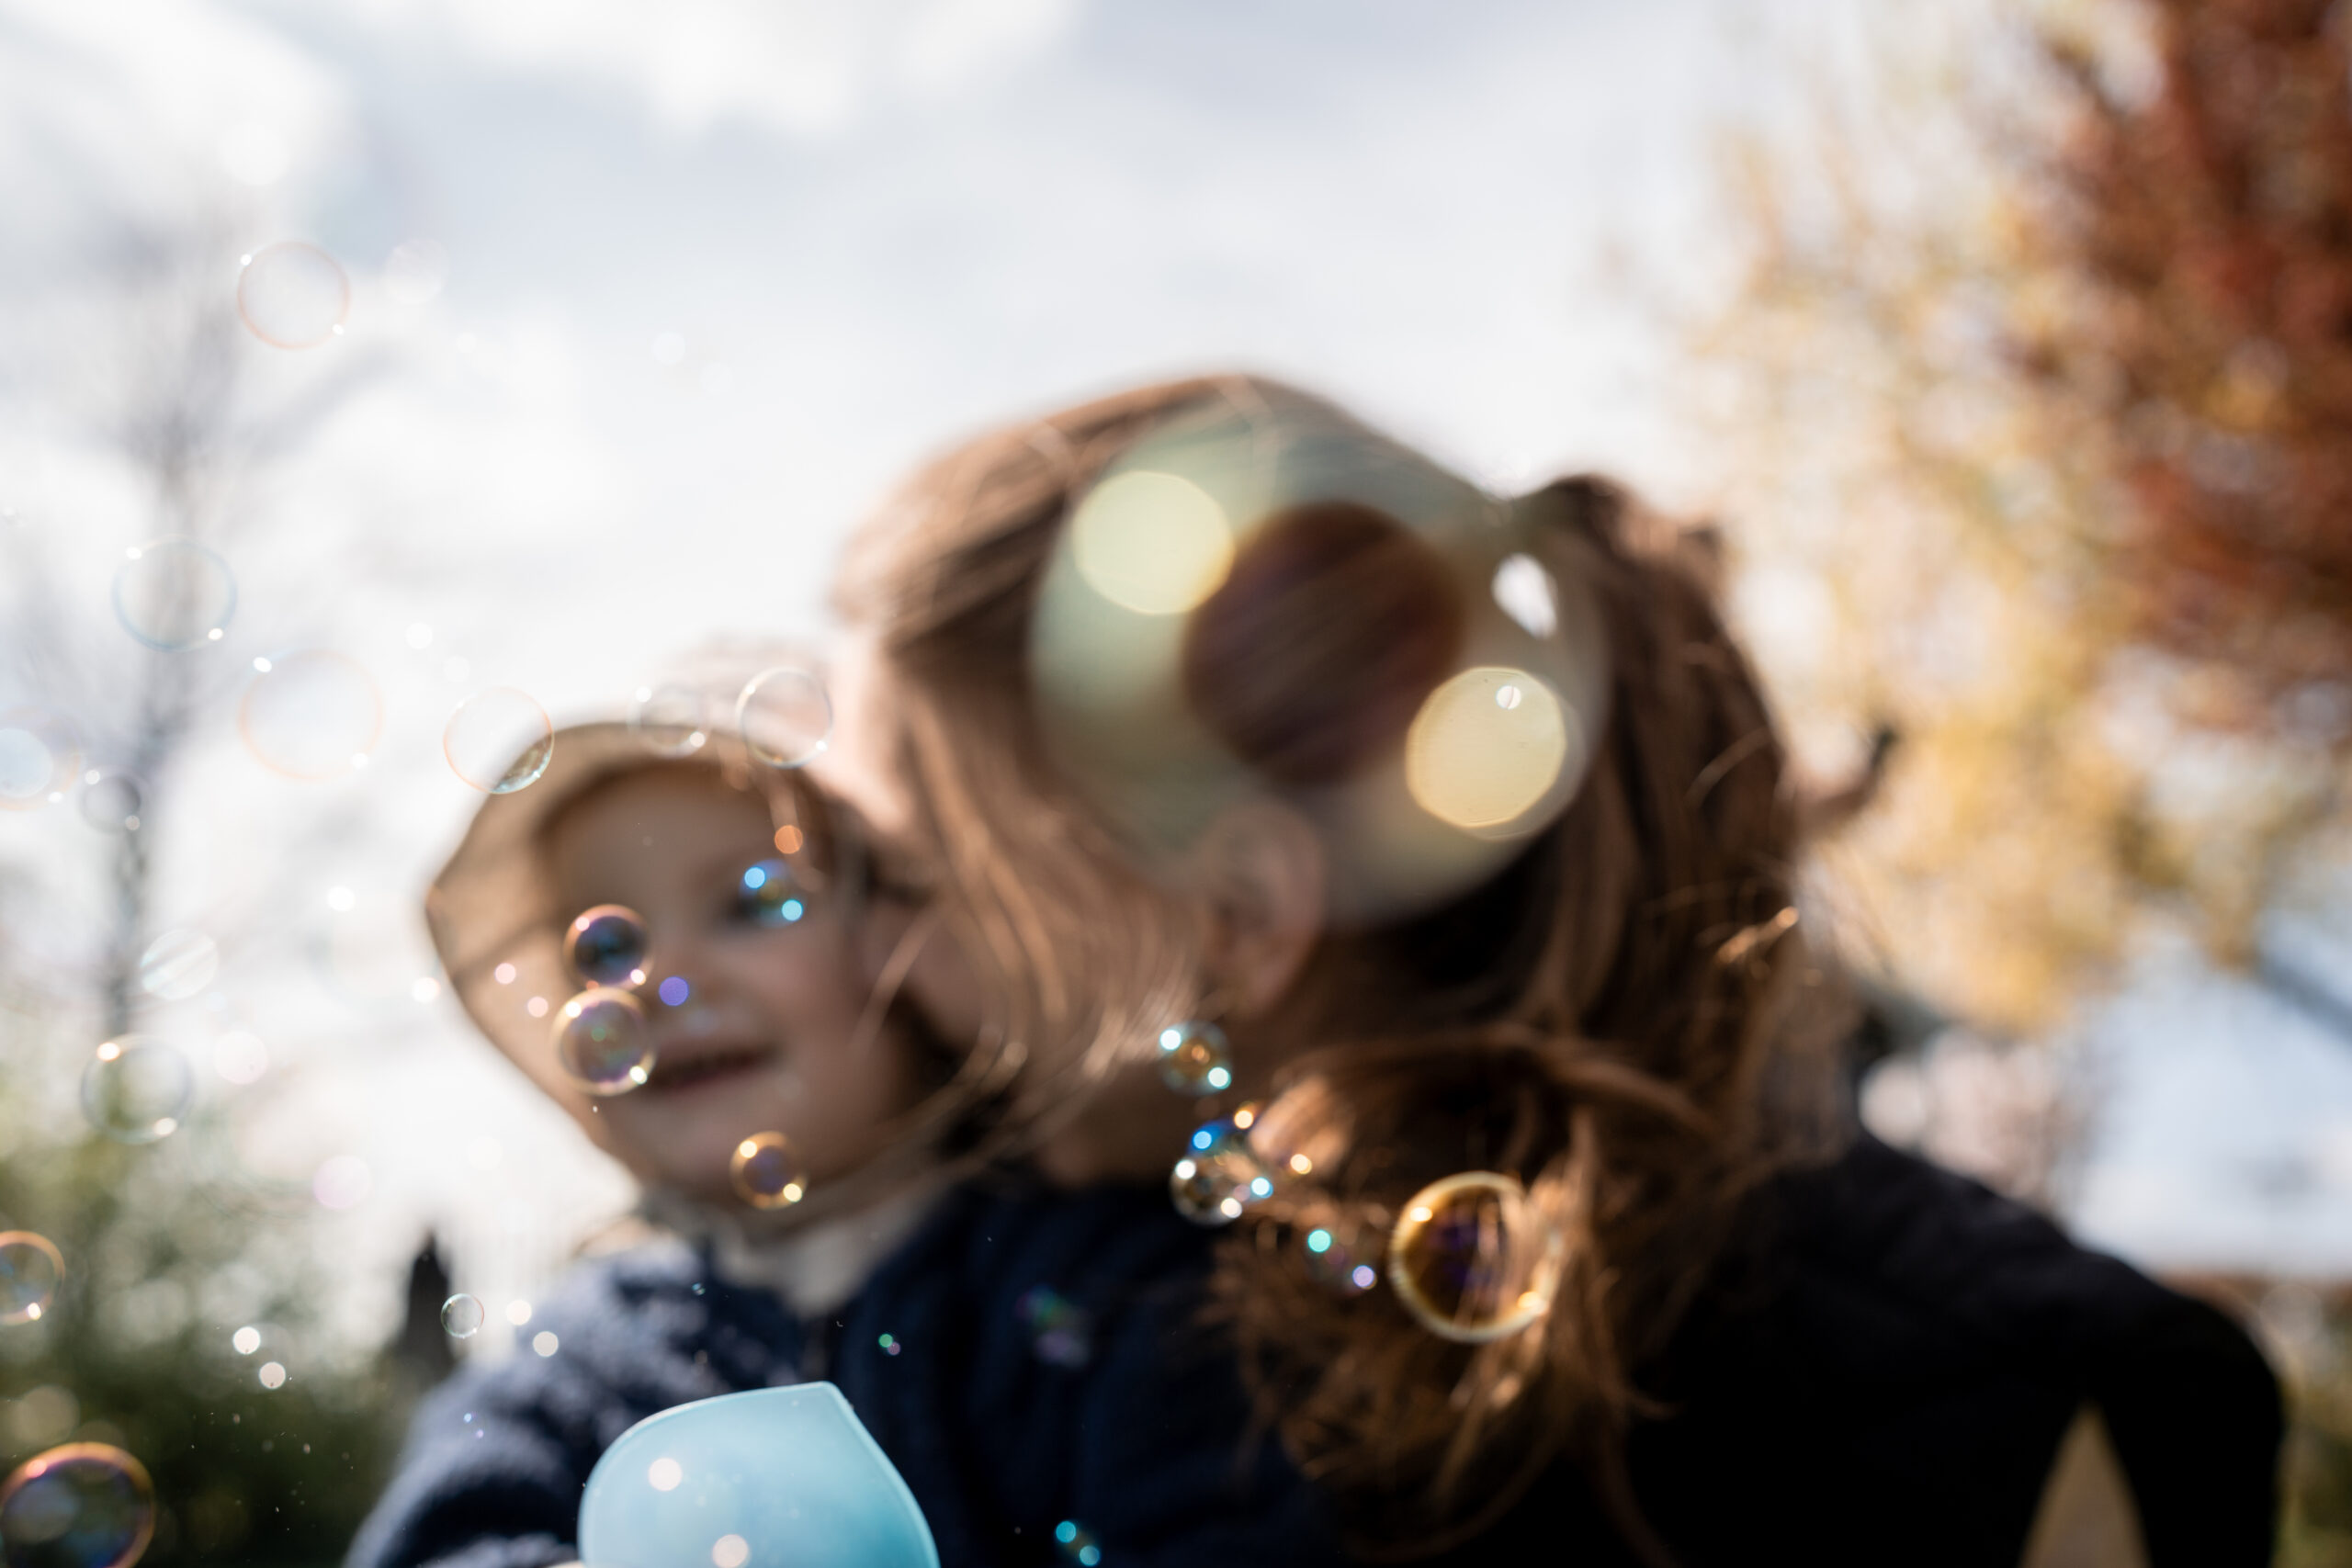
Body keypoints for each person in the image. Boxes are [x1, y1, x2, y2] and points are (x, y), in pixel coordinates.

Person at [825, 375, 2285, 1566]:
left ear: (1236, 920)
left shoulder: (2001, 1407)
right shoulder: (998, 1321)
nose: (865, 965)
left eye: (898, 877)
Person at [345, 660, 1344, 1568]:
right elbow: (440, 1541)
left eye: (753, 902)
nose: (662, 978)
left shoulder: (1106, 1286)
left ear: (898, 954)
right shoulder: (580, 1358)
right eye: (604, 952)